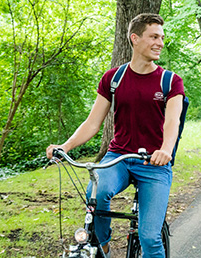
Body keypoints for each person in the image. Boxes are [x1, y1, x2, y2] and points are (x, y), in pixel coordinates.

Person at [45, 13, 185, 258]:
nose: (160, 43)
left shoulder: (170, 81)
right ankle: (103, 246)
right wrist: (65, 146)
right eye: (153, 37)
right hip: (118, 158)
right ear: (135, 38)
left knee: (150, 238)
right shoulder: (114, 78)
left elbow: (172, 122)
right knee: (95, 195)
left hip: (154, 163)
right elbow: (92, 123)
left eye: (161, 37)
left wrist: (166, 150)